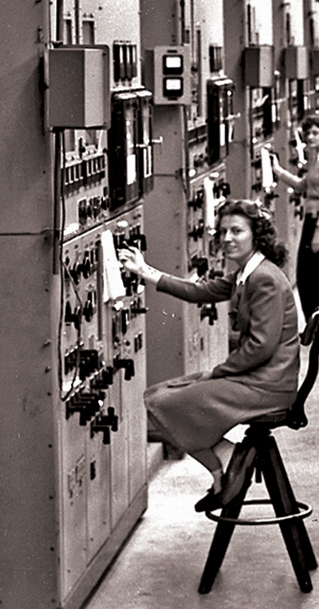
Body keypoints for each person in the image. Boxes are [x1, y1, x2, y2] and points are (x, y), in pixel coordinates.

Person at [119, 202, 300, 511]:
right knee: (158, 395)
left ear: (257, 236)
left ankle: (224, 469)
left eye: (237, 231)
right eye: (223, 231)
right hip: (259, 377)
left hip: (268, 385)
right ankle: (225, 465)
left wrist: (219, 372)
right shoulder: (247, 272)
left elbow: (260, 347)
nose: (227, 238)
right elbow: (200, 291)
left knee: (164, 403)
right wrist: (144, 271)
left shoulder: (264, 278)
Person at [270, 116, 319, 325]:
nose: (310, 137)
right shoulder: (317, 158)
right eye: (308, 133)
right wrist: (279, 172)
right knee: (307, 273)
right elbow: (303, 185)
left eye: (315, 133)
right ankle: (314, 319)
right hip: (314, 220)